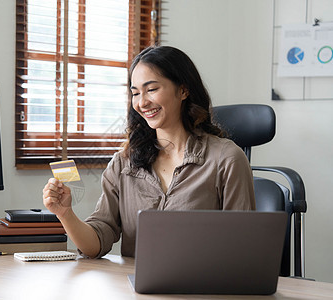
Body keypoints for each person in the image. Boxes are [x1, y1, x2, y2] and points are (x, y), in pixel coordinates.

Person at [43, 45, 255, 259]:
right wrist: (66, 214)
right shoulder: (123, 163)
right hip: (136, 290)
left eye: (151, 89)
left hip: (201, 289)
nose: (142, 102)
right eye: (135, 93)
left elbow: (243, 246)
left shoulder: (226, 159)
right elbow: (96, 243)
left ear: (183, 90)